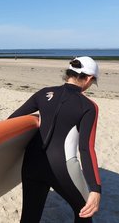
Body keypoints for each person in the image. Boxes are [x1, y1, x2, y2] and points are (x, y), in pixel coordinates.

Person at [8, 56, 101, 222]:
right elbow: (86, 148)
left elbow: (11, 122)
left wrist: (38, 118)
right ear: (88, 78)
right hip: (62, 169)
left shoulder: (44, 93)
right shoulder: (88, 107)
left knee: (29, 217)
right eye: (92, 82)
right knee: (85, 212)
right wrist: (95, 189)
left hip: (31, 164)